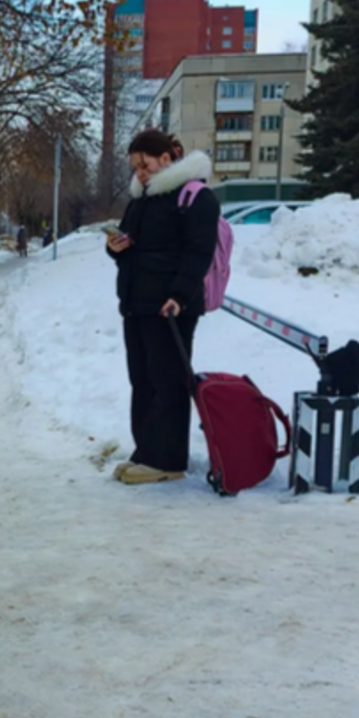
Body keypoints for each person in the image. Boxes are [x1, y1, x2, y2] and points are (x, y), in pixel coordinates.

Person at [104, 128, 220, 485]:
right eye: (135, 166)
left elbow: (199, 253)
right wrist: (116, 247)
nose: (140, 172)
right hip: (137, 303)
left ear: (166, 159)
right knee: (142, 380)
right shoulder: (142, 198)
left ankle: (168, 460)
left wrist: (180, 295)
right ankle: (146, 451)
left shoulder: (195, 197)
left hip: (171, 307)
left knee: (167, 381)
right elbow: (128, 247)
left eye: (145, 164)